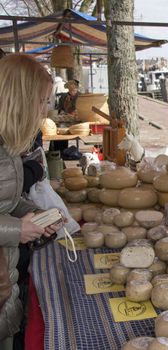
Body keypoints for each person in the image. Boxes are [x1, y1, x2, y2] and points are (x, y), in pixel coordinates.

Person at [0, 54, 61, 349]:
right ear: (21, 98)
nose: (45, 110)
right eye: (42, 100)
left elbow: (6, 202)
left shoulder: (7, 142)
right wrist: (16, 230)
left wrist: (36, 214)